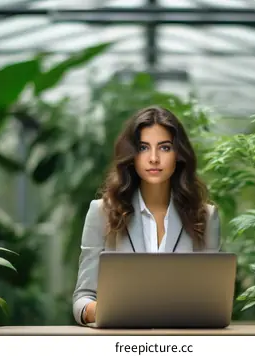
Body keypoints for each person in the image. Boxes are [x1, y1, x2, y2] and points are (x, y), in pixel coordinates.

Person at [71, 105, 221, 326]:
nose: (153, 158)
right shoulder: (102, 212)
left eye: (164, 148)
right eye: (143, 147)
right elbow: (82, 298)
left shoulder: (206, 216)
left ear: (178, 154)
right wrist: (101, 310)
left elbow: (215, 304)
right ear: (131, 155)